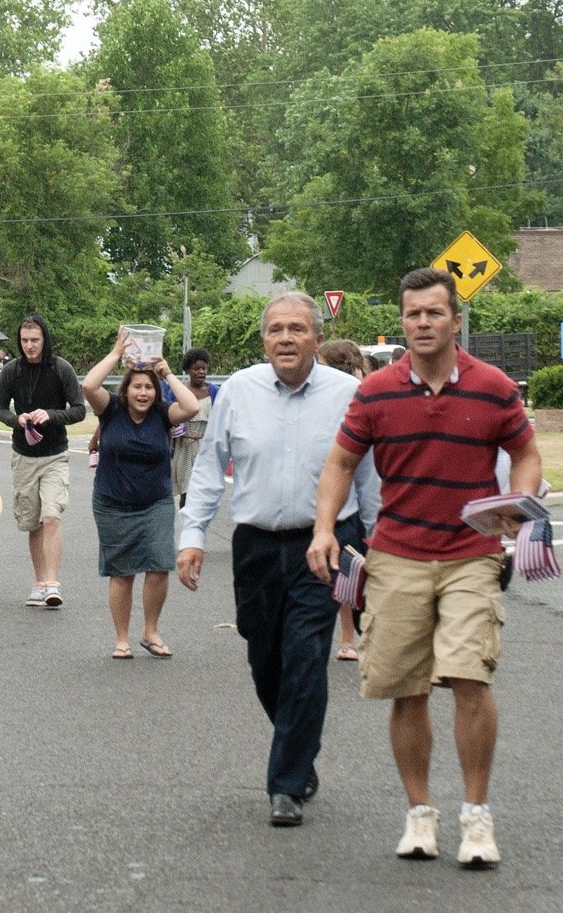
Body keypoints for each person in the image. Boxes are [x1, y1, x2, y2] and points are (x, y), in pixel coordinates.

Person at [307, 268, 541, 866]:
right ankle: (420, 816)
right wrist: (325, 529)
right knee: (405, 689)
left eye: (434, 313)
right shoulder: (377, 391)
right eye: (413, 314)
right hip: (397, 556)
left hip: (471, 555)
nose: (423, 323)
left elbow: (525, 453)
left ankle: (476, 818)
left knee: (470, 677)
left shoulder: (492, 387)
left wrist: (518, 503)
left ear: (455, 320)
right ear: (403, 321)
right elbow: (339, 464)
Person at [176, 292, 379, 828]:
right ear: (263, 338)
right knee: (264, 656)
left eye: (297, 329)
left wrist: (377, 545)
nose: (285, 338)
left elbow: (368, 477)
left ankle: (286, 783)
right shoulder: (239, 391)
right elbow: (208, 467)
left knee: (306, 655)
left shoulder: (348, 394)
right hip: (257, 545)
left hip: (329, 542)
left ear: (316, 336)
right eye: (275, 330)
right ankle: (299, 747)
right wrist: (192, 535)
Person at [83, 331, 199, 660]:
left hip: (156, 502)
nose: (143, 393)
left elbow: (190, 406)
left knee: (159, 564)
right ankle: (122, 638)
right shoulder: (111, 410)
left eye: (149, 387)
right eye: (137, 386)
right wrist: (116, 352)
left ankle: (151, 630)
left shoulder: (163, 413)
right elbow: (89, 386)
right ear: (126, 389)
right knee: (122, 572)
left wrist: (166, 373)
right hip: (112, 503)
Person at [0, 313, 86, 608]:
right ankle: (39, 581)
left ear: (44, 339)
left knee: (51, 517)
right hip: (23, 455)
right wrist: (16, 419)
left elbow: (80, 410)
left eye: (35, 340)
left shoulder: (61, 369)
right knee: (33, 523)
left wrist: (51, 415)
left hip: (55, 455)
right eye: (24, 341)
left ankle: (53, 583)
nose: (30, 346)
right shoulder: (11, 370)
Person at [315, 338, 370, 662]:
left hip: (352, 502)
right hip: (336, 497)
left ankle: (348, 637)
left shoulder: (353, 397)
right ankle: (347, 638)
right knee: (346, 570)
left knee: (347, 570)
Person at [167, 348, 218, 508]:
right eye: (196, 369)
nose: (201, 372)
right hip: (183, 446)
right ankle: (188, 526)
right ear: (188, 370)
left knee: (203, 491)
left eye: (204, 368)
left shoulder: (214, 391)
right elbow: (168, 415)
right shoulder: (178, 391)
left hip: (205, 446)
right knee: (187, 491)